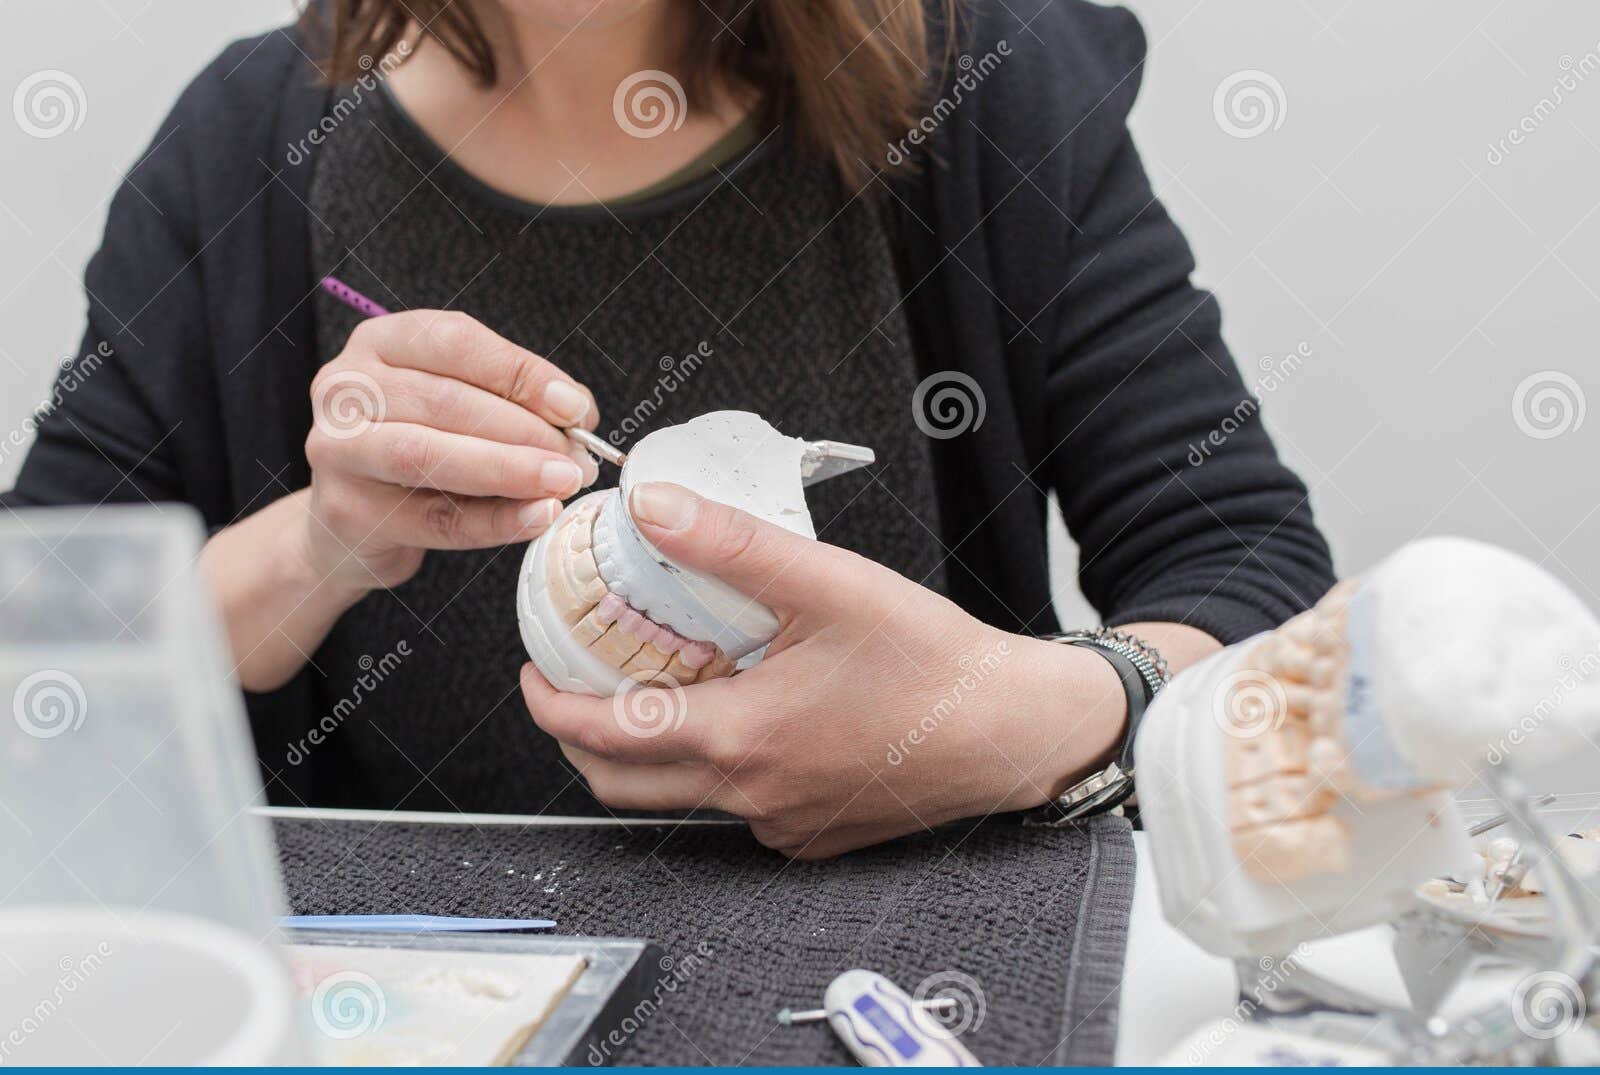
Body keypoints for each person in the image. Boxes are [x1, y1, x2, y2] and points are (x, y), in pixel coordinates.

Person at [3, 0, 1335, 855]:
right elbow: (38, 657)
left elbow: (1258, 593)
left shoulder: (990, 84)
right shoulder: (245, 153)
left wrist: (1009, 720)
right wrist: (321, 543)